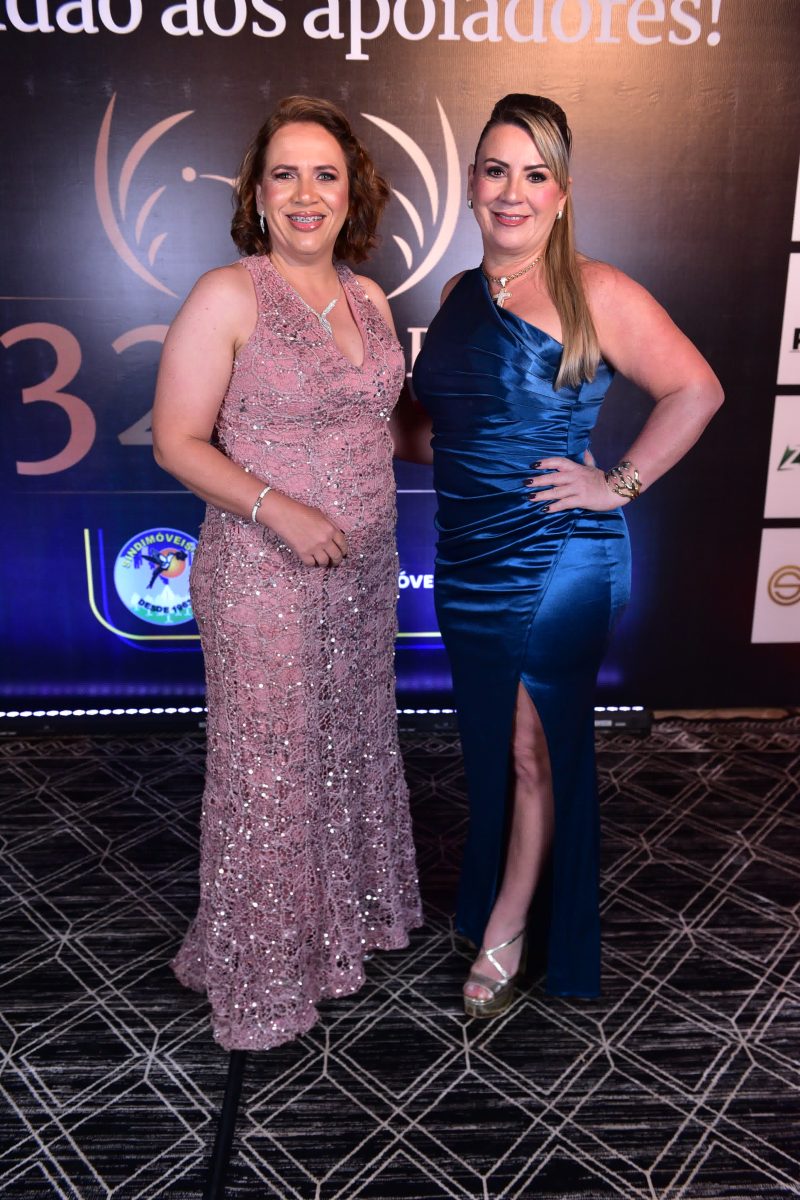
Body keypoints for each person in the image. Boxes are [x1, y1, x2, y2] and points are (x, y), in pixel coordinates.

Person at [411, 93, 723, 1019]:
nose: (512, 192)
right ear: (471, 183)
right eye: (496, 170)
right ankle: (505, 891)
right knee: (493, 742)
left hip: (557, 558)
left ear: (562, 192)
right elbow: (441, 436)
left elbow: (697, 391)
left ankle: (511, 921)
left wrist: (615, 484)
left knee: (529, 747)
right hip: (468, 555)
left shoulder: (598, 290)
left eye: (534, 175)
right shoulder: (458, 296)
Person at [152, 96, 422, 1051]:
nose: (306, 193)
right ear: (257, 195)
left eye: (325, 174)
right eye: (285, 174)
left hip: (364, 577)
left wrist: (509, 438)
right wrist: (280, 509)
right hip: (262, 578)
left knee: (347, 750)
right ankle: (263, 974)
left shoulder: (369, 300)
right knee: (272, 774)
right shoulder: (228, 295)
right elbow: (177, 443)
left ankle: (335, 937)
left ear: (353, 194)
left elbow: (388, 428)